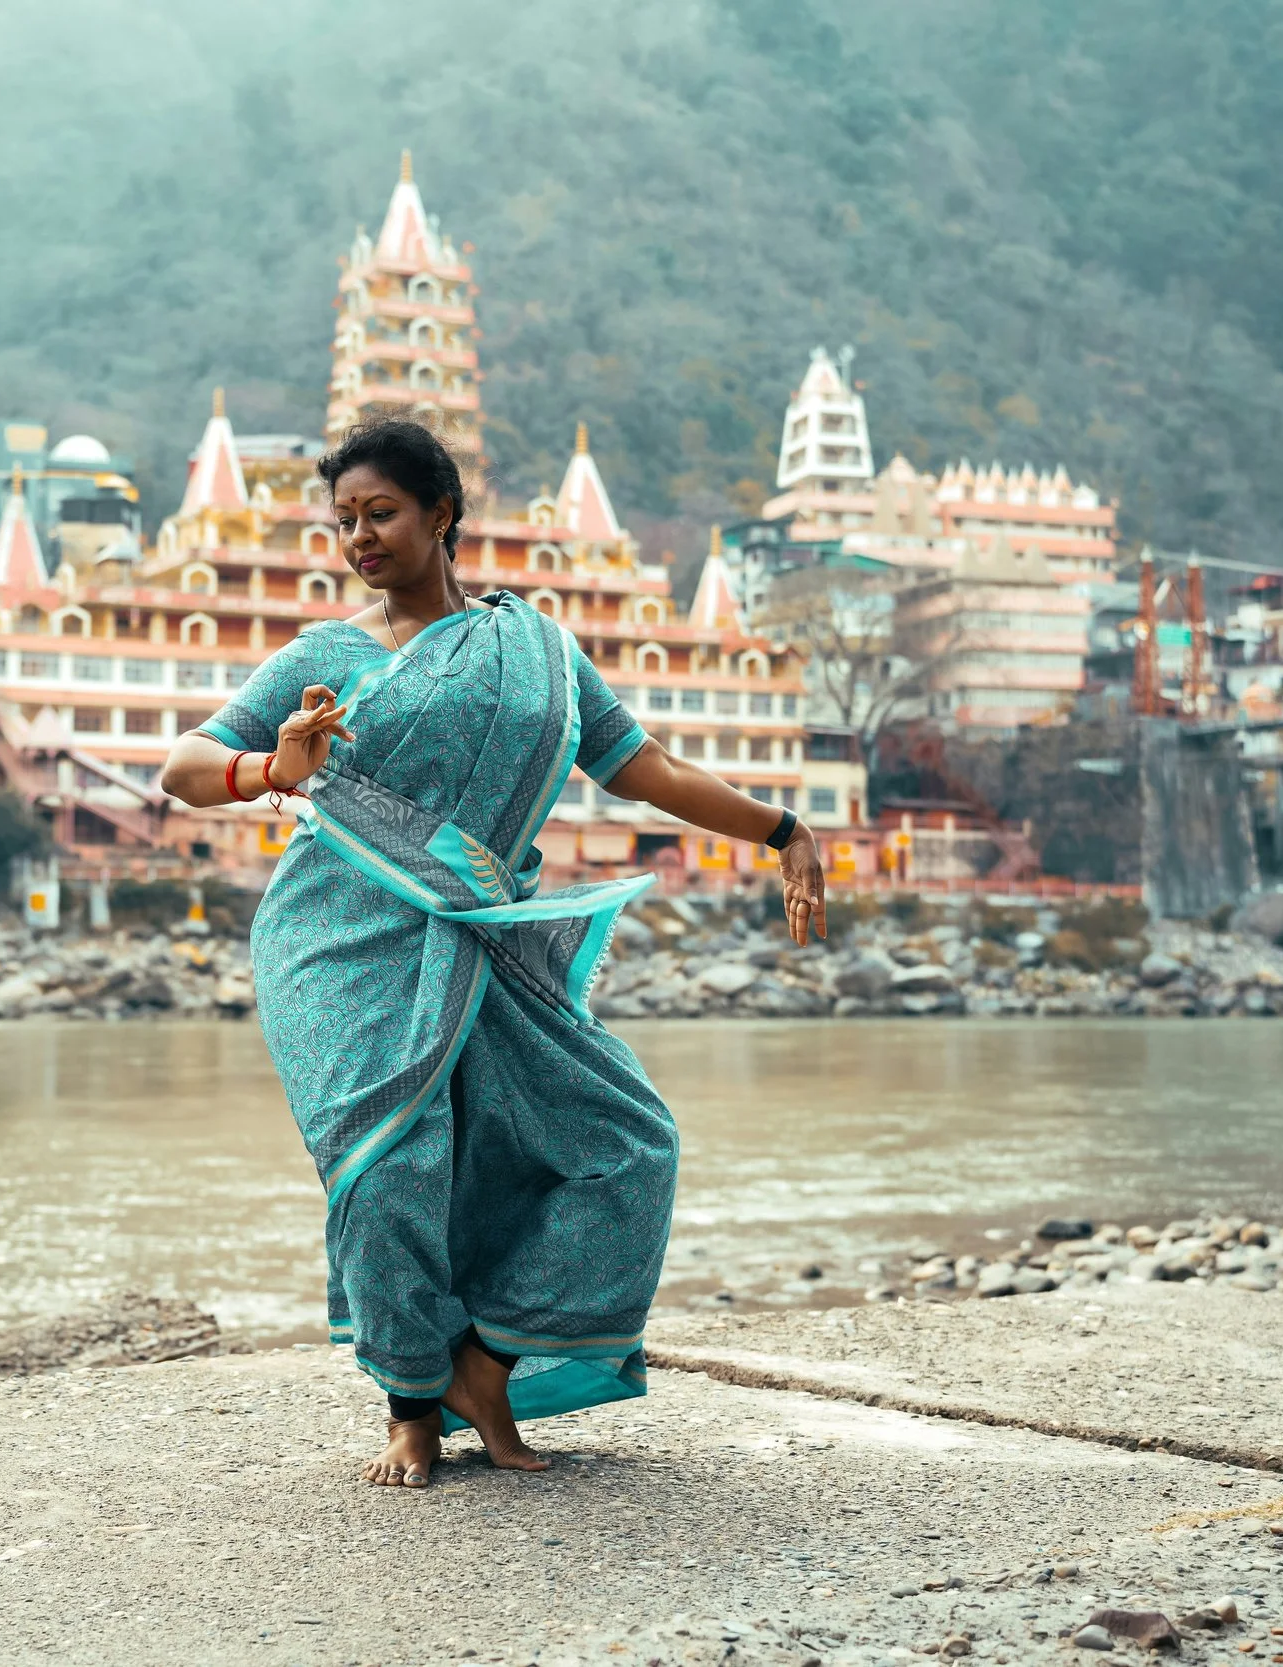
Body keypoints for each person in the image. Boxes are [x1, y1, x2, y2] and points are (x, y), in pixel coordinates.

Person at [160, 418, 827, 1488]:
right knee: (393, 1166)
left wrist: (782, 830)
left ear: (442, 514)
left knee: (625, 1144)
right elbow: (185, 768)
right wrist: (270, 767)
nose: (359, 538)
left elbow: (644, 768)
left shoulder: (539, 650)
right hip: (336, 936)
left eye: (379, 513)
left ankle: (485, 1361)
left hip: (482, 934)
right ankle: (410, 1405)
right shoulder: (323, 655)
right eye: (342, 522)